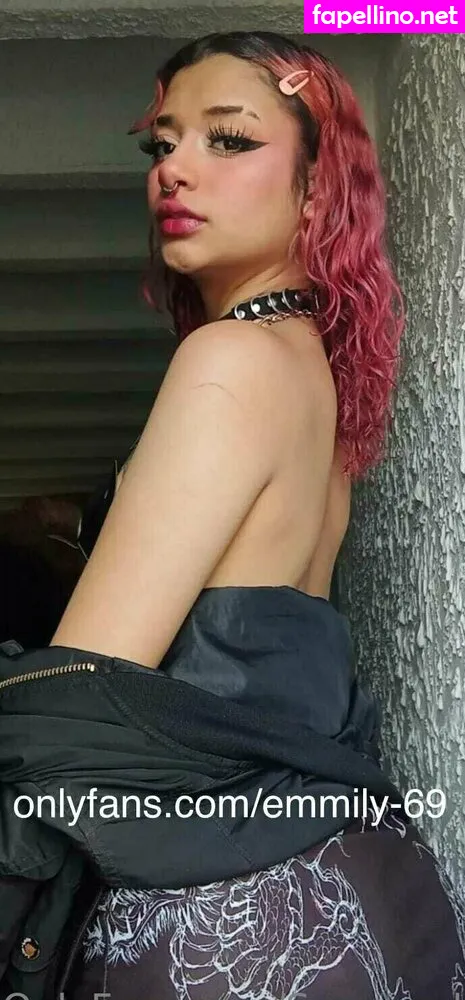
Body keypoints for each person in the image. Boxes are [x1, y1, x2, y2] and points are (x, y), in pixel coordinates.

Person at [0, 29, 463, 1000]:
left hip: (224, 922)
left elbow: (80, 699)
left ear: (318, 189)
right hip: (362, 893)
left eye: (230, 138)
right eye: (161, 143)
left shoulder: (229, 360)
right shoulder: (307, 371)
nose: (174, 167)